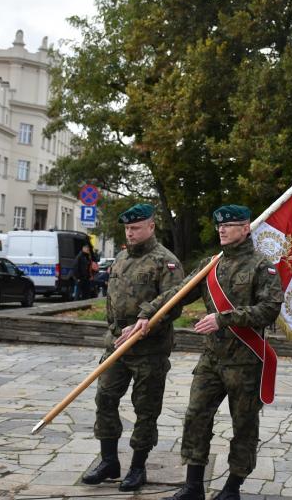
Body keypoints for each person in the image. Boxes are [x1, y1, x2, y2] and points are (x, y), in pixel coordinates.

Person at [134, 204, 283, 500]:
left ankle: (233, 487)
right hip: (211, 360)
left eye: (230, 225)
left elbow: (269, 309)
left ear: (246, 227)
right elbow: (176, 295)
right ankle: (193, 486)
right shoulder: (211, 264)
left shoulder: (262, 266)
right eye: (220, 226)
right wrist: (148, 314)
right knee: (196, 417)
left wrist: (223, 318)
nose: (222, 230)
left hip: (245, 361)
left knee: (244, 426)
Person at [82, 203, 185, 492]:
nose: (131, 232)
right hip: (116, 346)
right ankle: (108, 461)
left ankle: (138, 467)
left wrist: (144, 323)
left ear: (151, 227)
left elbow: (173, 304)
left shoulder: (166, 262)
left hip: (148, 350)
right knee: (105, 399)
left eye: (136, 227)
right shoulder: (122, 257)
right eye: (127, 228)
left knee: (146, 409)